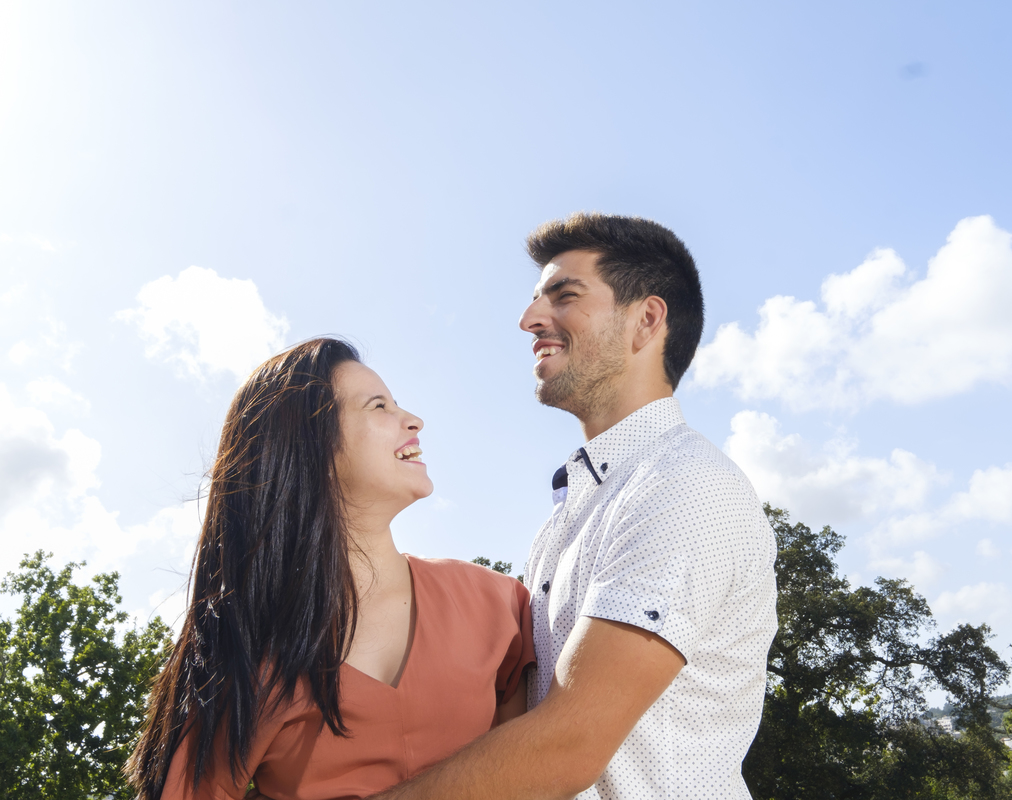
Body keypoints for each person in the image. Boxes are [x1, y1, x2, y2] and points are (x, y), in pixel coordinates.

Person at [370, 213, 778, 800]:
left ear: (647, 320)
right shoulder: (573, 512)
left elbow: (566, 746)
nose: (529, 320)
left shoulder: (686, 487)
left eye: (564, 296)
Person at [126, 337, 534, 800]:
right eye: (379, 406)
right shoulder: (244, 647)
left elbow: (537, 767)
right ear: (312, 450)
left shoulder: (498, 601)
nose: (414, 421)